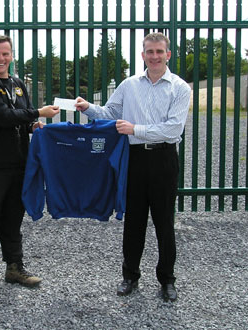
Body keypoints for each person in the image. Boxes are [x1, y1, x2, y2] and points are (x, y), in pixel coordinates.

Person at [75, 32, 191, 302]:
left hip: (164, 159)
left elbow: (172, 128)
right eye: (149, 51)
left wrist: (135, 128)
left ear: (168, 54)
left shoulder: (180, 88)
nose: (154, 56)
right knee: (134, 221)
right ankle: (130, 277)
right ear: (143, 55)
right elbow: (109, 113)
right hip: (135, 159)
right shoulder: (129, 85)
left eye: (159, 51)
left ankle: (167, 280)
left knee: (164, 222)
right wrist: (87, 107)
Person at [0, 34, 59, 300]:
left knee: (12, 219)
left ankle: (14, 268)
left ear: (11, 55)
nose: (1, 59)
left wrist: (33, 125)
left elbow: (23, 115)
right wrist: (38, 114)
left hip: (19, 163)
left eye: (5, 54)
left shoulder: (18, 84)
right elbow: (3, 116)